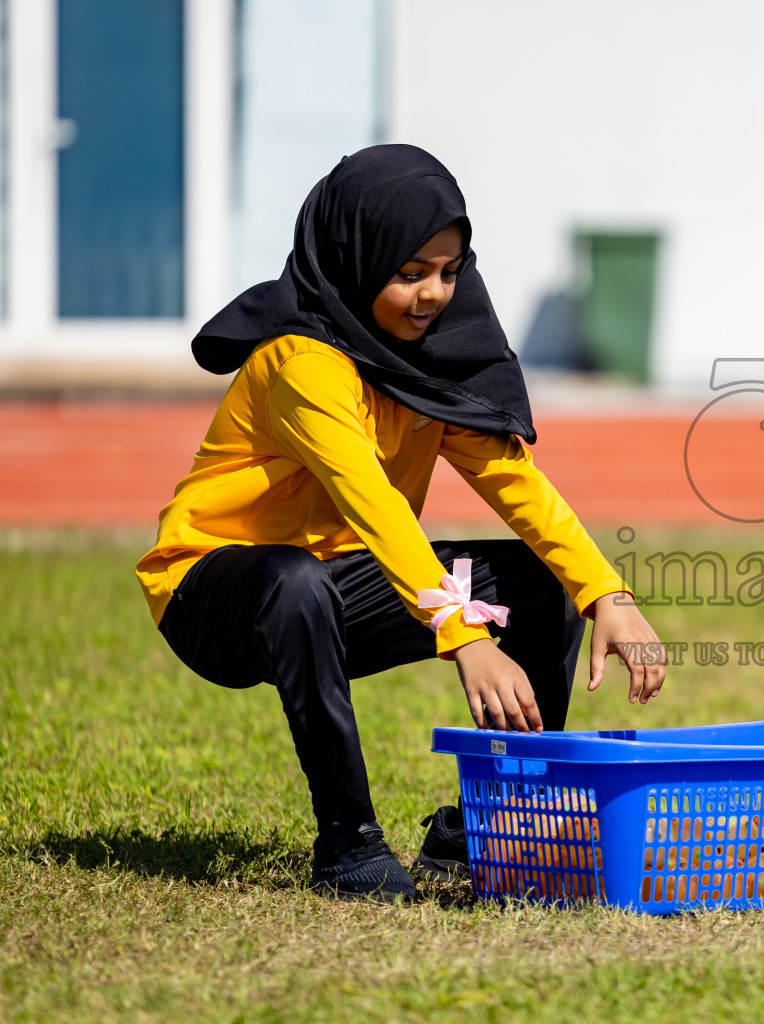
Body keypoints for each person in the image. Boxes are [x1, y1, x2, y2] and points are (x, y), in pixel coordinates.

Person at [136, 145, 667, 903]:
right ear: (356, 260)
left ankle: (489, 828)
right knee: (294, 582)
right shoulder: (301, 360)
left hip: (339, 584)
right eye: (409, 273)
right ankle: (348, 843)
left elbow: (515, 483)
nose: (433, 296)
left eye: (449, 273)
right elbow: (372, 505)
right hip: (215, 592)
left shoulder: (425, 360)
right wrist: (464, 637)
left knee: (538, 585)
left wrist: (605, 596)